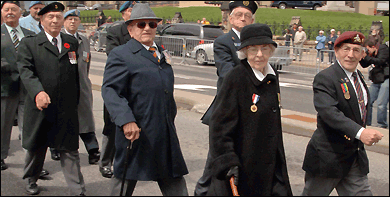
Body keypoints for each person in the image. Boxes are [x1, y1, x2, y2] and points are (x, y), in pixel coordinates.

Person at [101, 3, 189, 196]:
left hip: (164, 132)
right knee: (124, 181)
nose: (147, 28)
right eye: (141, 25)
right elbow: (111, 91)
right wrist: (126, 120)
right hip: (136, 132)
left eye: (152, 24)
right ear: (130, 29)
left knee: (175, 181)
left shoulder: (161, 53)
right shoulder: (121, 55)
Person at [207, 23, 293, 196]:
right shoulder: (236, 77)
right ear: (244, 51)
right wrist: (228, 162)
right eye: (253, 49)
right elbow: (219, 125)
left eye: (264, 48)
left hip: (271, 164)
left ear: (271, 51)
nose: (259, 55)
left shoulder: (272, 75)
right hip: (243, 166)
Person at [301, 31, 384, 196]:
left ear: (362, 54)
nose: (350, 55)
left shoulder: (358, 76)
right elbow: (329, 113)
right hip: (328, 158)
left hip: (354, 158)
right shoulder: (325, 78)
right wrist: (361, 133)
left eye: (356, 50)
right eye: (346, 49)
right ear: (337, 51)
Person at [17, 2, 86, 195]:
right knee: (37, 147)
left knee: (69, 149)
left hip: (66, 107)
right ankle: (31, 179)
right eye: (50, 17)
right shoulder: (29, 43)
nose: (55, 20)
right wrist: (38, 92)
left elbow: (74, 74)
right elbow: (26, 72)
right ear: (41, 19)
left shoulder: (70, 42)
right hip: (41, 106)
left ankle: (77, 189)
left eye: (58, 17)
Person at [196, 1, 257, 196]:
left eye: (247, 16)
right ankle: (202, 190)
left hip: (251, 106)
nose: (242, 19)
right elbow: (227, 72)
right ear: (230, 19)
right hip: (229, 106)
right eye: (238, 15)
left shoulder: (257, 43)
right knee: (218, 152)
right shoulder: (224, 42)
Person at [100, 0, 137, 179]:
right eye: (130, 10)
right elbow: (113, 54)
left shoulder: (143, 29)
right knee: (112, 127)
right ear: (123, 14)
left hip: (137, 91)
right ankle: (106, 162)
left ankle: (127, 161)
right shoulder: (115, 32)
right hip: (120, 85)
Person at [62, 9, 101, 165]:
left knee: (86, 119)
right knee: (63, 120)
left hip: (83, 86)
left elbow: (87, 63)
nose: (73, 22)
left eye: (75, 19)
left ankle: (93, 150)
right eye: (69, 19)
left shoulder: (83, 40)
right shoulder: (60, 39)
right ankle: (57, 149)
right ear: (64, 22)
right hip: (65, 86)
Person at [360, 39, 389, 128]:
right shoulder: (371, 54)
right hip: (377, 79)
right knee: (368, 100)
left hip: (387, 77)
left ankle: (382, 125)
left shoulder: (383, 49)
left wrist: (367, 57)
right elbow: (365, 65)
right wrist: (361, 58)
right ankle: (367, 123)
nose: (368, 52)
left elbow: (381, 61)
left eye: (368, 50)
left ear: (373, 47)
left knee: (381, 103)